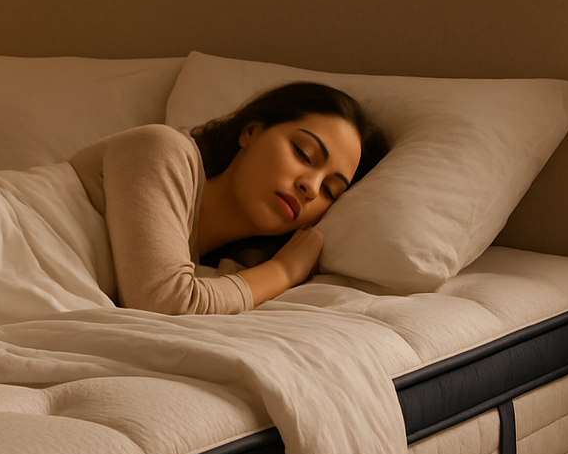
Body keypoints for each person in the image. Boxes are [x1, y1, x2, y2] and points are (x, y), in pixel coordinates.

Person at [68, 82, 388, 315]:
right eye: (303, 153)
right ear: (250, 131)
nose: (312, 187)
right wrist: (285, 270)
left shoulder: (217, 273)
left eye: (331, 190)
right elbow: (165, 302)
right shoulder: (161, 148)